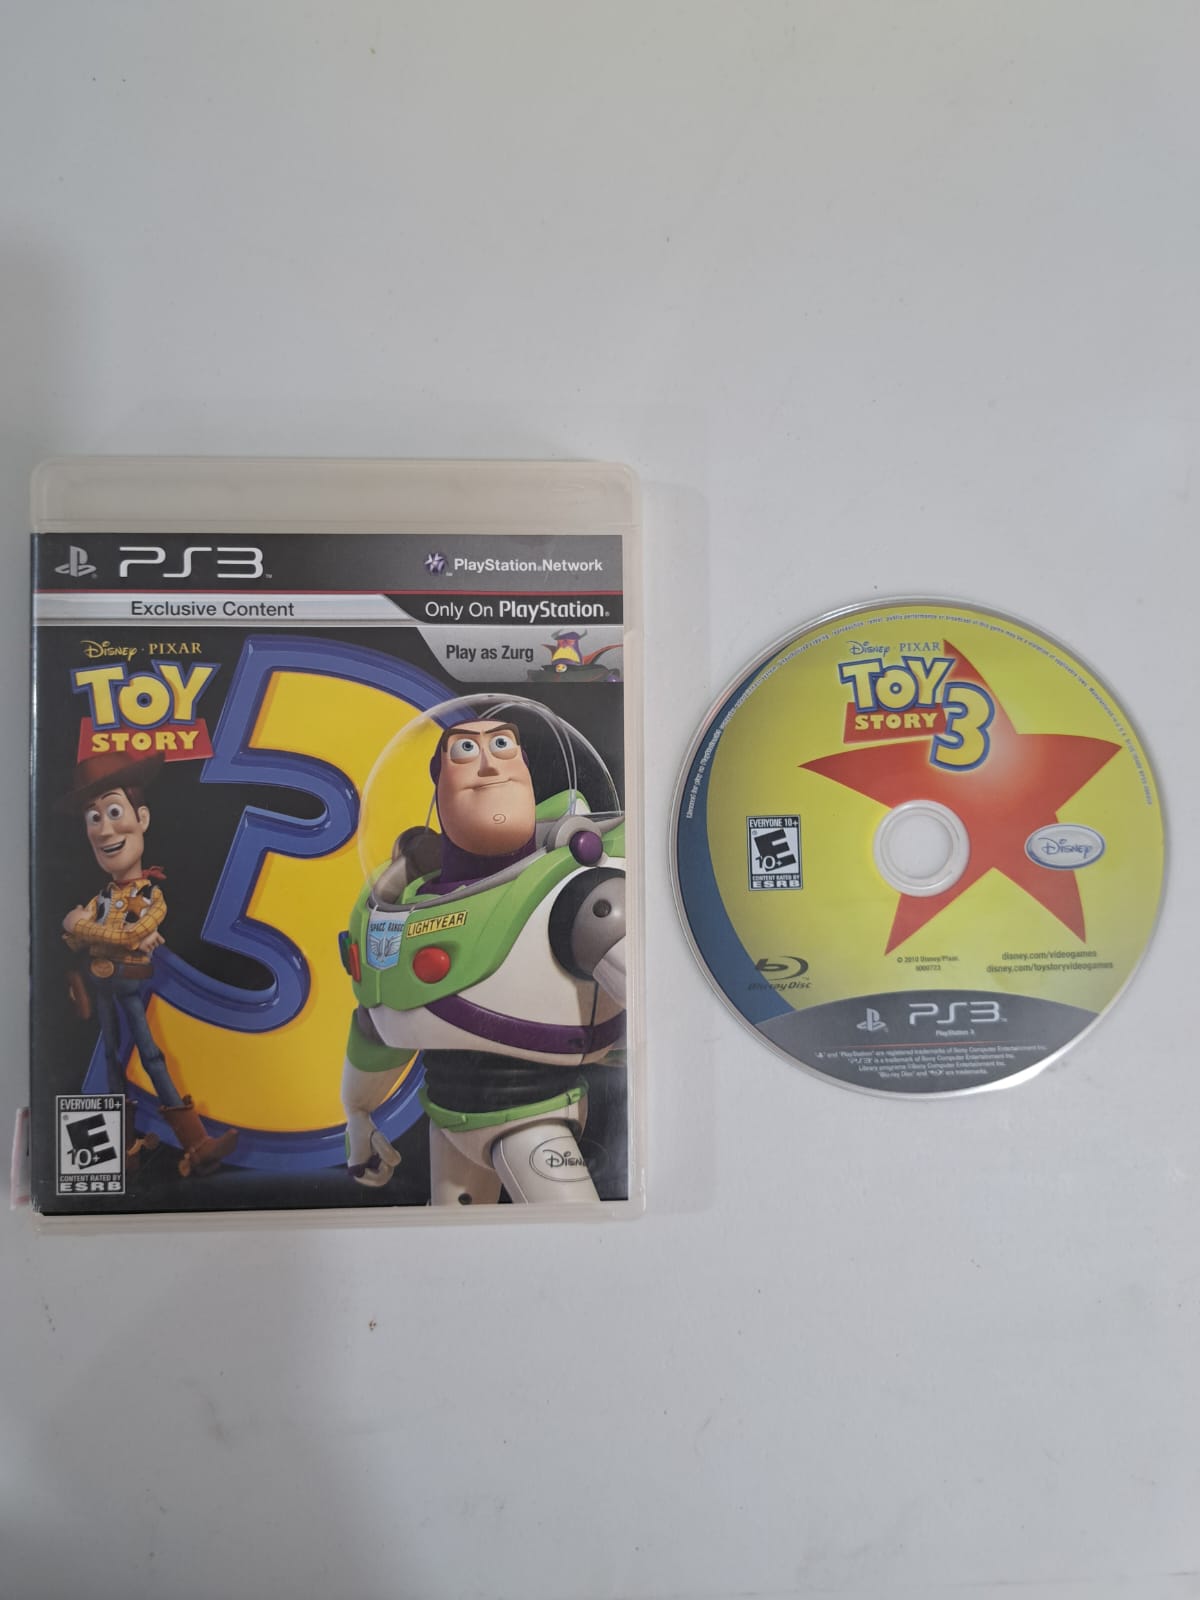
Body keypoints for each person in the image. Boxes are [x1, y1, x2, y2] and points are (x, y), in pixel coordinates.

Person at [339, 713, 626, 1204]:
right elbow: (379, 1019)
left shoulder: (580, 889)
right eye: (465, 751)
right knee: (454, 1245)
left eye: (502, 746)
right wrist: (358, 1115)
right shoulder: (405, 904)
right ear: (438, 787)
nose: (489, 765)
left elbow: (661, 1008)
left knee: (576, 1237)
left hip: (534, 1117)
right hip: (448, 1118)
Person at [59, 751, 237, 1178]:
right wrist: (79, 929)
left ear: (142, 818)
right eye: (93, 818)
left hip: (129, 983)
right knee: (110, 1059)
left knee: (151, 1056)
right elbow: (74, 939)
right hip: (101, 986)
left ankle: (196, 1143)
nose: (104, 829)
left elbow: (126, 935)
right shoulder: (102, 898)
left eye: (113, 812)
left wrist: (82, 926)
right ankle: (122, 1147)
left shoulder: (150, 896)